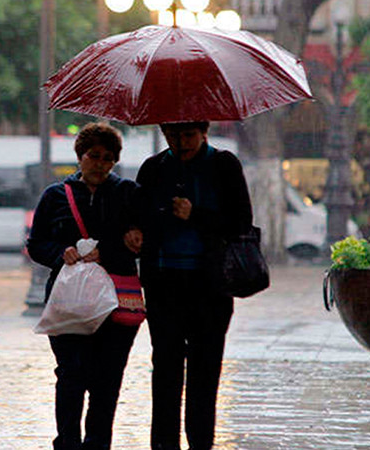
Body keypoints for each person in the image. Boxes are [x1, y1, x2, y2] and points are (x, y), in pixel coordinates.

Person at [132, 121, 252, 450]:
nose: (180, 142)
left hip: (210, 288)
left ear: (203, 132)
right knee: (166, 371)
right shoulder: (154, 168)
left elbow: (240, 222)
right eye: (172, 135)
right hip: (163, 285)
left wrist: (195, 214)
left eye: (187, 135)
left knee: (204, 371)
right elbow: (139, 215)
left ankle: (201, 443)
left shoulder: (224, 165)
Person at [27, 122, 143, 450]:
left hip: (115, 303)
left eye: (108, 159)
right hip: (67, 302)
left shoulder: (127, 194)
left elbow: (139, 240)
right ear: (80, 156)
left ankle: (97, 443)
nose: (100, 164)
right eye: (94, 156)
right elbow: (36, 243)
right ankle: (67, 442)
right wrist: (58, 253)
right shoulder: (55, 196)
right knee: (71, 375)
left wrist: (107, 249)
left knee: (107, 380)